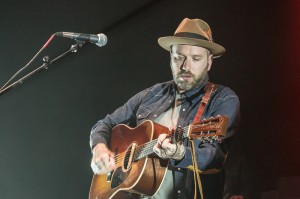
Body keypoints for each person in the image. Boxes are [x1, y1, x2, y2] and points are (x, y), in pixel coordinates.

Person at [89, 18, 240, 199]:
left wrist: (179, 153)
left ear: (209, 62)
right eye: (178, 57)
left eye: (196, 58)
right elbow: (105, 123)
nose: (185, 66)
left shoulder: (223, 98)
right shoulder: (153, 93)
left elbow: (213, 157)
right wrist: (99, 148)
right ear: (170, 59)